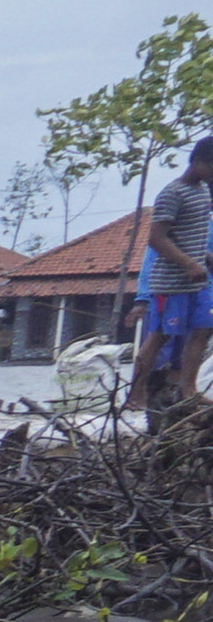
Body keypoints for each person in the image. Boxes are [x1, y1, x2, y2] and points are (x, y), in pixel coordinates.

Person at [128, 135, 213, 417]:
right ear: (199, 162)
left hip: (199, 281)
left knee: (202, 331)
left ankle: (189, 390)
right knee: (160, 336)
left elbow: (196, 234)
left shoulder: (203, 192)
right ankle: (136, 392)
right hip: (172, 282)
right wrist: (188, 262)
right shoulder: (172, 193)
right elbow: (156, 239)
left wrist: (205, 257)